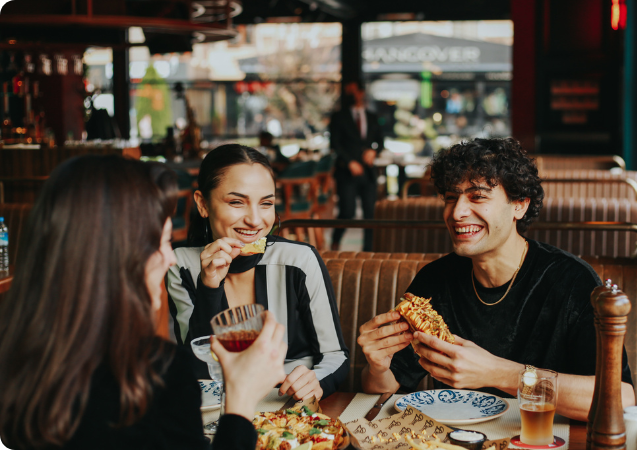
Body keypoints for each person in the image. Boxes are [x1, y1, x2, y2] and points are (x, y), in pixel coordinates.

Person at [0, 155, 287, 450]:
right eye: (162, 242)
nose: (170, 258)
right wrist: (240, 400)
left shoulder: (17, 356)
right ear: (118, 255)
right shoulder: (154, 376)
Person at [357, 138, 635, 421]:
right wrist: (377, 367)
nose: (456, 212)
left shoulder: (571, 281)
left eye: (477, 196)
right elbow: (387, 386)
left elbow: (620, 398)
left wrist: (500, 374)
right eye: (451, 197)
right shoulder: (435, 281)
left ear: (520, 205)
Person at [167, 144, 348, 401]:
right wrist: (209, 287)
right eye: (236, 202)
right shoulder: (181, 266)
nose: (255, 219)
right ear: (203, 204)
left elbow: (335, 356)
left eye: (266, 203)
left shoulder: (299, 260)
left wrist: (314, 381)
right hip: (221, 410)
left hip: (291, 409)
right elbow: (199, 371)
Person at [328, 80, 383, 251]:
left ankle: (368, 250)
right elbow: (335, 143)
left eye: (353, 91)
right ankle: (335, 242)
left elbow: (380, 142)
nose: (350, 95)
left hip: (368, 172)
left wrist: (374, 151)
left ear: (361, 92)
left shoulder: (372, 116)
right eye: (347, 92)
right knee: (347, 212)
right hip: (346, 172)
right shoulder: (339, 116)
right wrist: (349, 161)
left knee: (370, 214)